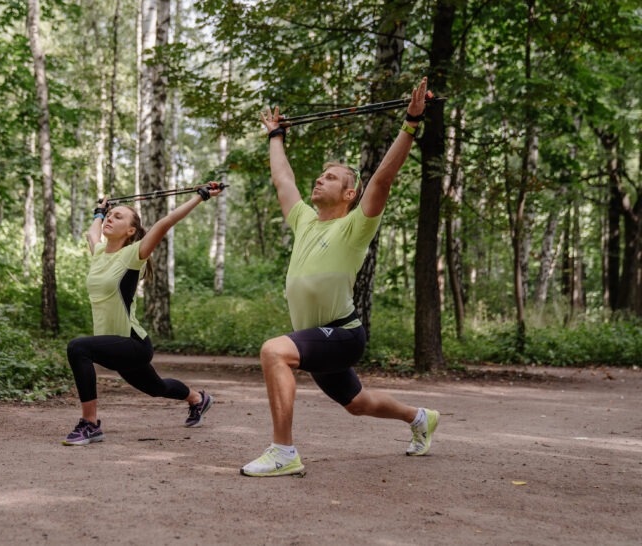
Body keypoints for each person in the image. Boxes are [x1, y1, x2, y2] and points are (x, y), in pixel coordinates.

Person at [240, 77, 440, 476]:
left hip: (343, 334)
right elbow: (283, 179)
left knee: (274, 351)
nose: (320, 179)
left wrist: (411, 123)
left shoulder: (355, 226)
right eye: (321, 175)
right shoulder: (304, 221)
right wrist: (275, 136)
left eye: (331, 177)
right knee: (356, 403)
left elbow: (382, 178)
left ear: (350, 194)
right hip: (317, 337)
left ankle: (284, 452)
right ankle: (420, 418)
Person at [62, 183, 223, 446]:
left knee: (78, 348)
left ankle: (90, 425)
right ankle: (197, 399)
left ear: (131, 231)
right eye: (111, 216)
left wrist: (200, 197)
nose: (111, 219)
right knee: (156, 388)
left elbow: (165, 222)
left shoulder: (132, 255)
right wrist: (99, 212)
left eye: (119, 217)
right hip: (112, 346)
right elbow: (92, 233)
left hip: (133, 343)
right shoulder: (100, 252)